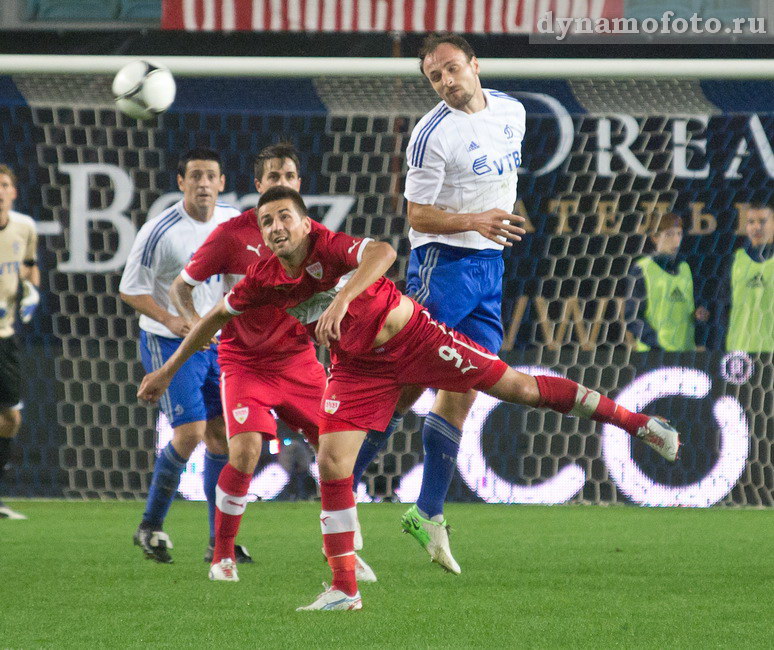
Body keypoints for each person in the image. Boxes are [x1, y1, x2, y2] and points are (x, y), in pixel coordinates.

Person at [138, 187, 681, 611]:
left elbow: (383, 251)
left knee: (517, 389)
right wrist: (166, 369)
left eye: (285, 217)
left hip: (414, 340)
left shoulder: (330, 246)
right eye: (267, 222)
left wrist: (342, 296)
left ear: (305, 222)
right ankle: (344, 588)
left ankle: (637, 423)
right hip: (357, 370)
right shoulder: (261, 279)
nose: (277, 227)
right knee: (331, 461)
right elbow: (212, 318)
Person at [351, 32, 527, 574]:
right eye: (435, 76)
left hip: (489, 269)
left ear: (475, 65)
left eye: (453, 69)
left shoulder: (513, 112)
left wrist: (491, 221)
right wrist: (476, 220)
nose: (447, 82)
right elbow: (417, 216)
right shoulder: (429, 134)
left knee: (463, 389)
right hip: (442, 267)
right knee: (405, 388)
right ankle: (339, 490)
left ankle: (427, 511)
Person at [168, 143, 375, 582]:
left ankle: (342, 555)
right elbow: (182, 286)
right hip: (244, 362)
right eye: (272, 178)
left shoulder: (315, 236)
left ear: (299, 186)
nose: (281, 185)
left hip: (298, 360)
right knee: (245, 452)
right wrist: (190, 325)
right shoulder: (231, 234)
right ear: (257, 185)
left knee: (334, 451)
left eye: (289, 178)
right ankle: (222, 553)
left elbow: (359, 274)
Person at [119, 148, 242, 563]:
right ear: (181, 182)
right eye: (195, 176)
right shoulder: (160, 230)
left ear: (222, 182)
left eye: (211, 176)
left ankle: (218, 543)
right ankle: (150, 527)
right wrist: (171, 320)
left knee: (223, 437)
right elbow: (129, 289)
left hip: (215, 341)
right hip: (168, 340)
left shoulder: (231, 221)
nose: (203, 183)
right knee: (189, 432)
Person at [0, 165, 40, 520]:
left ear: (13, 192)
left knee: (10, 418)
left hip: (5, 337)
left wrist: (31, 291)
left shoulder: (25, 227)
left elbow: (29, 268)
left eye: (4, 185)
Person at [626, 213, 708, 351]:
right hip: (654, 355)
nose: (676, 240)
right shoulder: (642, 269)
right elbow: (632, 317)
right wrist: (657, 344)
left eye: (679, 234)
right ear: (655, 237)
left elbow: (691, 310)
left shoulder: (685, 268)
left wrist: (699, 314)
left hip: (686, 353)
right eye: (669, 234)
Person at [724, 203, 773, 352]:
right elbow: (722, 306)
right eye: (751, 222)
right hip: (739, 351)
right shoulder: (736, 260)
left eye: (762, 222)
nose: (756, 227)